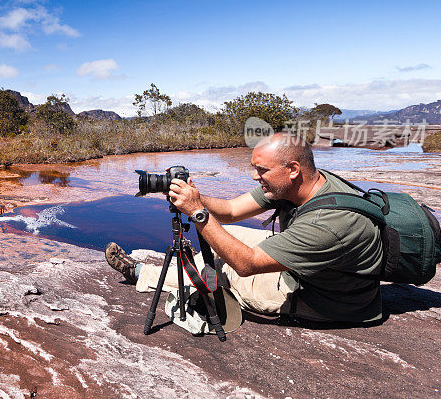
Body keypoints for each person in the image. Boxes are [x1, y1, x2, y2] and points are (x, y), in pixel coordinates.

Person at [105, 132, 384, 323]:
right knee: (226, 237)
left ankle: (141, 273)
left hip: (320, 297)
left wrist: (198, 214)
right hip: (318, 269)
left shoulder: (329, 224)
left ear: (294, 169)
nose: (254, 176)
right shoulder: (304, 183)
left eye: (261, 170)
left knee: (221, 270)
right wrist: (194, 199)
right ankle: (196, 257)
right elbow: (231, 211)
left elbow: (245, 264)